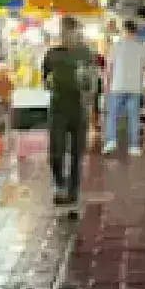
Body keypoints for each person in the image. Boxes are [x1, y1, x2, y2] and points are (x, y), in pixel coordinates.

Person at [41, 17, 97, 215]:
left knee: (76, 154)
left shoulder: (86, 54)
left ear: (76, 31)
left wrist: (88, 93)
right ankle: (60, 184)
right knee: (56, 151)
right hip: (58, 109)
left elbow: (93, 83)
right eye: (63, 31)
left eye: (70, 31)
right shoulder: (51, 55)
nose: (67, 35)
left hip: (79, 110)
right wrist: (50, 82)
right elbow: (45, 81)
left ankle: (73, 191)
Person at [103, 19, 145, 156]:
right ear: (135, 32)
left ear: (124, 30)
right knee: (134, 117)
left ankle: (111, 141)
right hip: (135, 87)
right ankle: (134, 146)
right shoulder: (141, 47)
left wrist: (106, 85)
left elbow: (109, 68)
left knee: (112, 116)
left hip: (117, 86)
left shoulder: (115, 46)